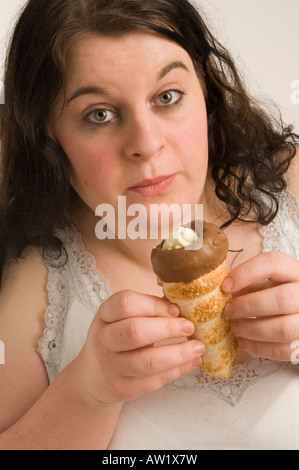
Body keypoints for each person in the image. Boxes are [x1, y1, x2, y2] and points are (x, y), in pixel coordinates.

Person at [0, 0, 298, 450]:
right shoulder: (34, 280)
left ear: (206, 91)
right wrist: (87, 394)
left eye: (167, 97)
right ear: (49, 135)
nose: (146, 143)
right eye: (99, 114)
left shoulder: (290, 183)